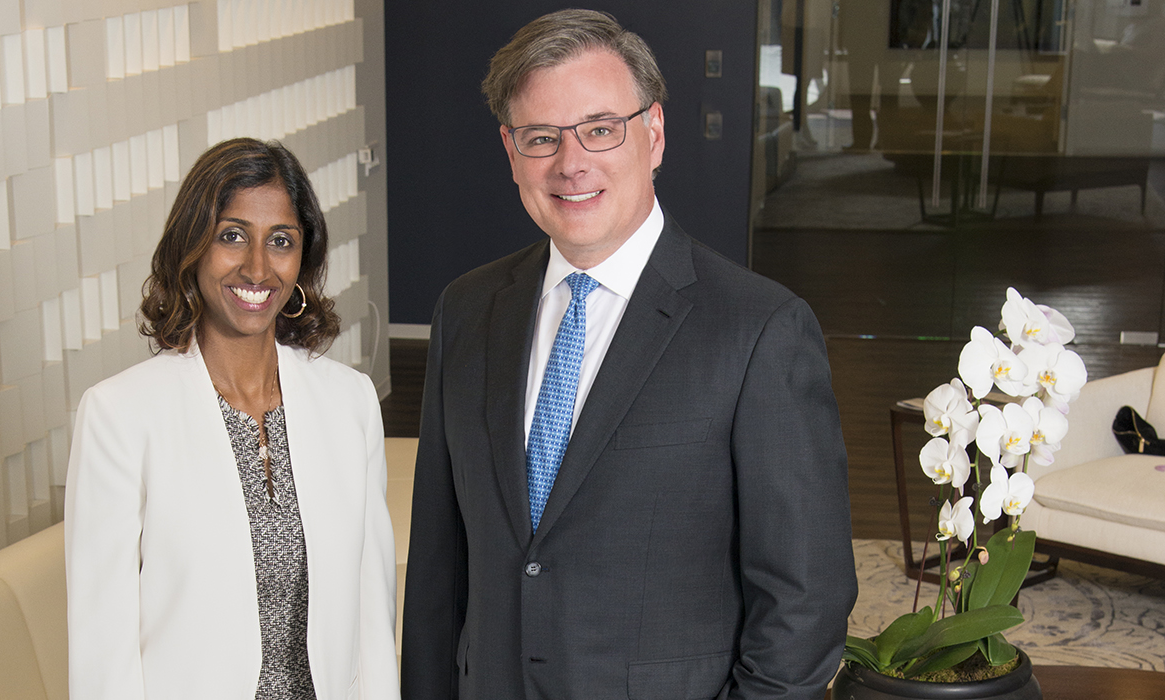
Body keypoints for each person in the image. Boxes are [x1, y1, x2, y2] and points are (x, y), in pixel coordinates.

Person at [400, 10, 856, 700]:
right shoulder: (466, 310)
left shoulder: (761, 330)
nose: (571, 162)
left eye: (601, 129)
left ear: (654, 134)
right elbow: (439, 569)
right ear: (510, 150)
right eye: (541, 137)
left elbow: (806, 602)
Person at [65, 138, 400, 700]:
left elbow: (372, 615)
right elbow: (103, 648)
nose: (257, 266)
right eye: (232, 235)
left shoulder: (351, 403)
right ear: (191, 248)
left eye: (281, 242)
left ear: (303, 259)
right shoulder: (119, 416)